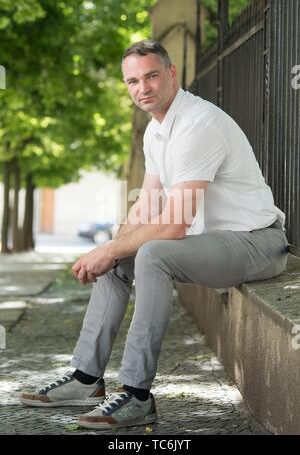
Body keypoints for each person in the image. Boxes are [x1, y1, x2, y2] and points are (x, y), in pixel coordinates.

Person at [20, 40, 289, 430]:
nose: (142, 88)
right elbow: (145, 209)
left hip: (257, 242)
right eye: (132, 81)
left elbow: (174, 224)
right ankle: (85, 378)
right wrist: (111, 249)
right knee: (121, 254)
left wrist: (112, 247)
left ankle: (137, 394)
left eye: (151, 76)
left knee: (151, 254)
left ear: (172, 73)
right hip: (212, 244)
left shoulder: (199, 124)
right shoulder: (157, 130)